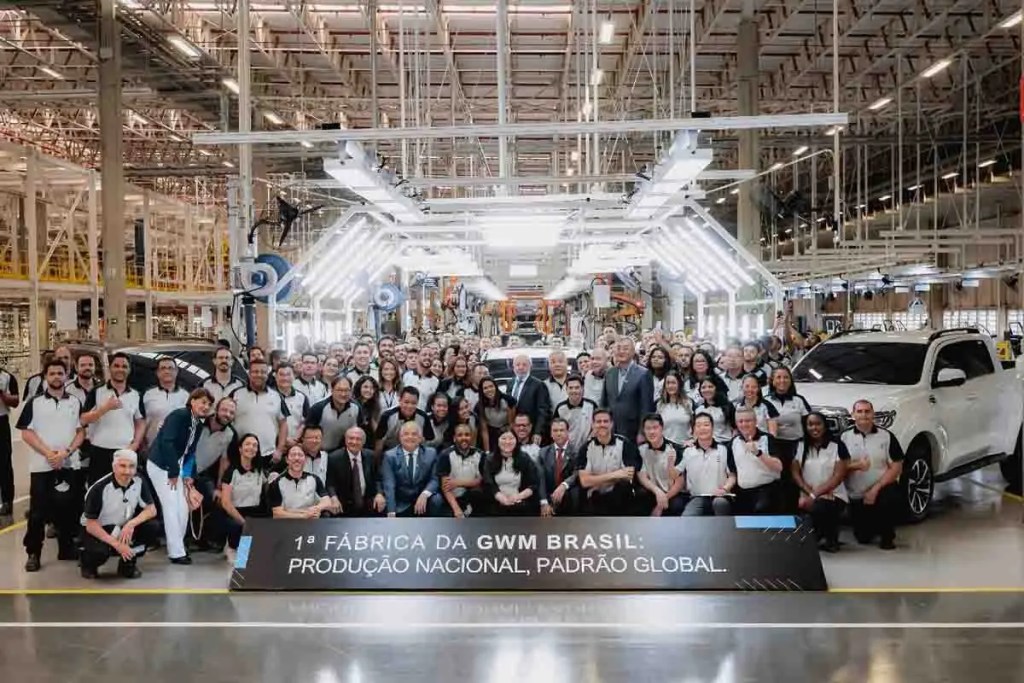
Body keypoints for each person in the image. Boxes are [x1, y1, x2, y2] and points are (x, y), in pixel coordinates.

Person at [16, 361, 84, 571]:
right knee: (38, 513)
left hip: (68, 464)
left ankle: (65, 548)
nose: (56, 376)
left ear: (67, 376)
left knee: (67, 509)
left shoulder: (74, 401)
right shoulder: (34, 403)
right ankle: (33, 553)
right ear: (45, 376)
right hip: (42, 467)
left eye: (60, 373)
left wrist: (67, 452)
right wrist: (49, 454)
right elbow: (26, 432)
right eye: (52, 373)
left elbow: (81, 431)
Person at [146, 388, 212, 564]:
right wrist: (174, 472)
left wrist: (189, 474)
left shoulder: (199, 424)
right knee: (170, 507)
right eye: (203, 402)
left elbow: (190, 452)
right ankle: (176, 552)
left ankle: (178, 545)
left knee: (182, 507)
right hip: (161, 465)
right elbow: (167, 442)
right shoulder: (179, 415)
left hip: (178, 465)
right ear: (192, 401)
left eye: (209, 404)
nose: (206, 406)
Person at [79, 449, 159, 579]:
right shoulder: (99, 488)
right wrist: (117, 545)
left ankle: (127, 564)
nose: (127, 471)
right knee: (100, 552)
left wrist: (131, 524)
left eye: (131, 466)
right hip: (99, 529)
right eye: (122, 466)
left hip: (123, 526)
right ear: (114, 467)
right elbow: (91, 525)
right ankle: (87, 563)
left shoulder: (139, 480)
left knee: (152, 527)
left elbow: (151, 510)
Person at [841, 400, 904, 550]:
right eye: (860, 411)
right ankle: (872, 526)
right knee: (863, 538)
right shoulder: (844, 437)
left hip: (881, 489)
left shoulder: (886, 436)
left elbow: (897, 466)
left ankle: (887, 537)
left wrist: (875, 489)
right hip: (856, 495)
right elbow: (838, 467)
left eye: (867, 411)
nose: (864, 415)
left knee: (890, 499)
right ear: (853, 415)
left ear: (873, 414)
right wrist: (855, 466)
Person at [80, 352, 146, 486]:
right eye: (116, 366)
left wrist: (136, 443)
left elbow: (141, 421)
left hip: (126, 452)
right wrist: (105, 408)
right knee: (98, 491)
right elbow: (83, 420)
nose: (120, 369)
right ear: (110, 368)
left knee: (126, 492)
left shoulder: (135, 394)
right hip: (100, 452)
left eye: (124, 366)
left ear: (129, 370)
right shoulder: (97, 392)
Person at [792, 412, 850, 553]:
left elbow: (838, 477)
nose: (814, 428)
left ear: (825, 426)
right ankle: (818, 537)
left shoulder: (837, 445)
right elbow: (795, 472)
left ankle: (830, 539)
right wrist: (808, 492)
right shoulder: (800, 445)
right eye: (810, 424)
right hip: (807, 494)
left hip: (833, 494)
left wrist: (815, 495)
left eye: (818, 424)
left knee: (822, 506)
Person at [763, 365, 812, 510]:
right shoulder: (766, 400)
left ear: (790, 380)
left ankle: (795, 511)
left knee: (793, 480)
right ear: (772, 381)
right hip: (774, 446)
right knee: (778, 480)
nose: (782, 380)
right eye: (778, 377)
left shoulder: (798, 400)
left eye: (785, 377)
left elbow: (808, 423)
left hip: (795, 446)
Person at [215, 433, 268, 558]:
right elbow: (226, 503)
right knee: (242, 555)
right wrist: (243, 522)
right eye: (248, 444)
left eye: (255, 445)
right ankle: (232, 547)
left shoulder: (259, 471)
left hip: (254, 511)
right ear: (240, 448)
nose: (251, 448)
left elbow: (267, 486)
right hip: (235, 512)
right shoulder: (232, 472)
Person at [578, 409, 639, 515]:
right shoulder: (586, 448)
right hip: (595, 496)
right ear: (593, 425)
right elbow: (584, 481)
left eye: (605, 421)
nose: (602, 424)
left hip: (618, 496)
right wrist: (616, 474)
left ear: (611, 424)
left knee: (624, 487)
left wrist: (596, 479)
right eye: (598, 421)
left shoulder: (624, 443)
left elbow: (628, 475)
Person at [673, 413, 736, 516]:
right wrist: (670, 464)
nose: (702, 428)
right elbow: (675, 474)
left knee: (720, 504)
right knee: (687, 517)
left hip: (721, 496)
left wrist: (724, 489)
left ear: (712, 427)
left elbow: (732, 476)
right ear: (694, 430)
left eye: (706, 425)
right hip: (697, 497)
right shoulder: (687, 452)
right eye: (698, 425)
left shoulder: (724, 449)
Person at [230, 359, 289, 464]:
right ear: (249, 373)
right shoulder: (236, 394)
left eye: (263, 372)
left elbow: (283, 424)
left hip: (268, 455)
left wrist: (279, 450)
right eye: (255, 372)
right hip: (240, 454)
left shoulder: (276, 396)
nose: (259, 375)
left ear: (267, 374)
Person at [380, 421, 442, 517]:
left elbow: (434, 479)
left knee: (437, 499)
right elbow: (389, 484)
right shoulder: (389, 456)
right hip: (401, 501)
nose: (410, 437)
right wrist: (391, 511)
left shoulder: (431, 453)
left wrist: (424, 494)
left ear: (420, 438)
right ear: (400, 438)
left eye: (414, 434)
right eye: (406, 434)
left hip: (422, 499)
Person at [730, 407, 784, 514]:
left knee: (761, 509)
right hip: (743, 493)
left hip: (766, 491)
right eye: (740, 421)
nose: (744, 424)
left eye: (748, 421)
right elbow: (732, 471)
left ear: (755, 421)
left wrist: (758, 453)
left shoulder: (767, 439)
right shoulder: (733, 442)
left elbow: (779, 467)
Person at [600, 337, 655, 442]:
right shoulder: (610, 373)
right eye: (618, 348)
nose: (621, 351)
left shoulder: (643, 374)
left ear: (633, 351)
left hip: (633, 430)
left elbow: (646, 407)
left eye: (625, 348)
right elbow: (604, 402)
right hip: (611, 429)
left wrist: (642, 432)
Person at [325, 426, 385, 517]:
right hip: (343, 505)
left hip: (368, 504)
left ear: (364, 442)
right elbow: (330, 483)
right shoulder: (334, 458)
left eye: (358, 439)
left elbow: (378, 479)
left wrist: (379, 494)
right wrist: (333, 498)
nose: (354, 442)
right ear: (345, 440)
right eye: (351, 438)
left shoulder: (371, 456)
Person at [636, 414, 687, 516]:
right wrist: (657, 492)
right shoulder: (641, 449)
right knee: (639, 498)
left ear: (662, 428)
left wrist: (664, 498)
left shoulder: (675, 449)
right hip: (653, 491)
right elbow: (642, 476)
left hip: (672, 493)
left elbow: (680, 483)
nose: (651, 432)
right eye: (648, 428)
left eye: (655, 428)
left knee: (677, 506)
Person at [483, 429, 540, 516]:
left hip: (521, 501)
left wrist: (518, 497)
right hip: (496, 502)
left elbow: (533, 484)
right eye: (503, 438)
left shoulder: (524, 458)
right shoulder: (489, 459)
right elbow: (488, 484)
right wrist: (501, 498)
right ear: (497, 441)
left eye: (511, 438)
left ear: (516, 440)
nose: (507, 442)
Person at [437, 423, 487, 517]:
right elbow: (446, 487)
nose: (464, 438)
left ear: (471, 437)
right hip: (452, 498)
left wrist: (457, 483)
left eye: (467, 435)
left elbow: (480, 481)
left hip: (472, 497)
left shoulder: (481, 455)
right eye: (460, 435)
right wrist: (456, 509)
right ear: (454, 438)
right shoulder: (445, 455)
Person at [268, 445, 330, 519]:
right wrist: (303, 515)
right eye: (293, 455)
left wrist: (316, 509)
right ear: (287, 460)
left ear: (305, 459)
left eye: (300, 455)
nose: (297, 458)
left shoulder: (314, 479)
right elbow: (277, 513)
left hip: (310, 523)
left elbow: (327, 501)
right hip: (287, 524)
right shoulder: (277, 482)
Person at [142, 357, 190, 449]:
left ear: (176, 371)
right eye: (163, 368)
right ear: (157, 373)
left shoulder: (186, 396)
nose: (167, 371)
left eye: (170, 368)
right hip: (151, 448)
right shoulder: (147, 395)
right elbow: (140, 421)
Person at [535, 418, 579, 517]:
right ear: (551, 433)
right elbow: (540, 478)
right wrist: (544, 502)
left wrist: (564, 485)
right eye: (555, 430)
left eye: (562, 430)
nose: (558, 433)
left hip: (569, 497)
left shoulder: (577, 451)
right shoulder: (543, 452)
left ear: (568, 432)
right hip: (549, 496)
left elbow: (577, 473)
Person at [375, 386, 434, 459]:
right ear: (400, 400)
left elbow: (428, 438)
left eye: (413, 403)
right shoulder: (387, 416)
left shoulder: (423, 417)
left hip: (415, 452)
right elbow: (379, 441)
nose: (409, 406)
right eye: (406, 402)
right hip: (391, 452)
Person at [306, 376, 361, 452]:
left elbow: (359, 431)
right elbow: (308, 433)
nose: (343, 394)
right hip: (320, 451)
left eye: (346, 390)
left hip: (343, 452)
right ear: (331, 390)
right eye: (339, 390)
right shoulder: (318, 408)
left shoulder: (356, 408)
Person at [507, 354, 550, 445]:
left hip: (531, 432)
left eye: (524, 364)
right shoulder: (510, 383)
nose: (521, 367)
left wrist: (538, 432)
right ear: (513, 367)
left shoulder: (538, 385)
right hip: (514, 432)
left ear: (530, 366)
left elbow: (543, 410)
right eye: (518, 365)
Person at [553, 375, 597, 454]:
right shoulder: (560, 408)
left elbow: (597, 426)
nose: (574, 391)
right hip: (566, 451)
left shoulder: (592, 405)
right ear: (566, 389)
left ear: (582, 389)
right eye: (571, 388)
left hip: (589, 449)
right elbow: (555, 430)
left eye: (577, 387)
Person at [275, 363, 309, 448]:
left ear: (294, 376)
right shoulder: (269, 396)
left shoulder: (302, 397)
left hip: (296, 444)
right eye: (281, 375)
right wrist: (283, 440)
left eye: (288, 374)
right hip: (275, 445)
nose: (285, 378)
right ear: (276, 377)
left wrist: (295, 439)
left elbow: (306, 421)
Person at [476, 377, 515, 453]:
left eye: (491, 386)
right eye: (485, 388)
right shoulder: (479, 406)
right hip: (492, 435)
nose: (489, 390)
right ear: (482, 391)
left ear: (496, 387)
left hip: (507, 432)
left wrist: (508, 441)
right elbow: (484, 431)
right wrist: (487, 451)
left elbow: (512, 424)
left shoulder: (508, 400)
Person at [0, 363, 19, 516]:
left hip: (1, 422)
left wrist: (3, 395)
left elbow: (16, 400)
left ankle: (7, 501)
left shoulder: (7, 377)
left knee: (4, 462)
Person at [694, 378, 735, 444]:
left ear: (716, 388)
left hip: (725, 443)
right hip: (705, 444)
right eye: (703, 387)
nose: (707, 390)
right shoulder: (698, 410)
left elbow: (735, 428)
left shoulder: (727, 407)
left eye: (710, 387)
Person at [657, 372, 694, 444]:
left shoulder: (689, 403)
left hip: (685, 445)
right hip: (666, 447)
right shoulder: (659, 405)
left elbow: (695, 425)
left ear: (679, 384)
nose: (670, 386)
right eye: (668, 383)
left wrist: (693, 440)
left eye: (673, 383)